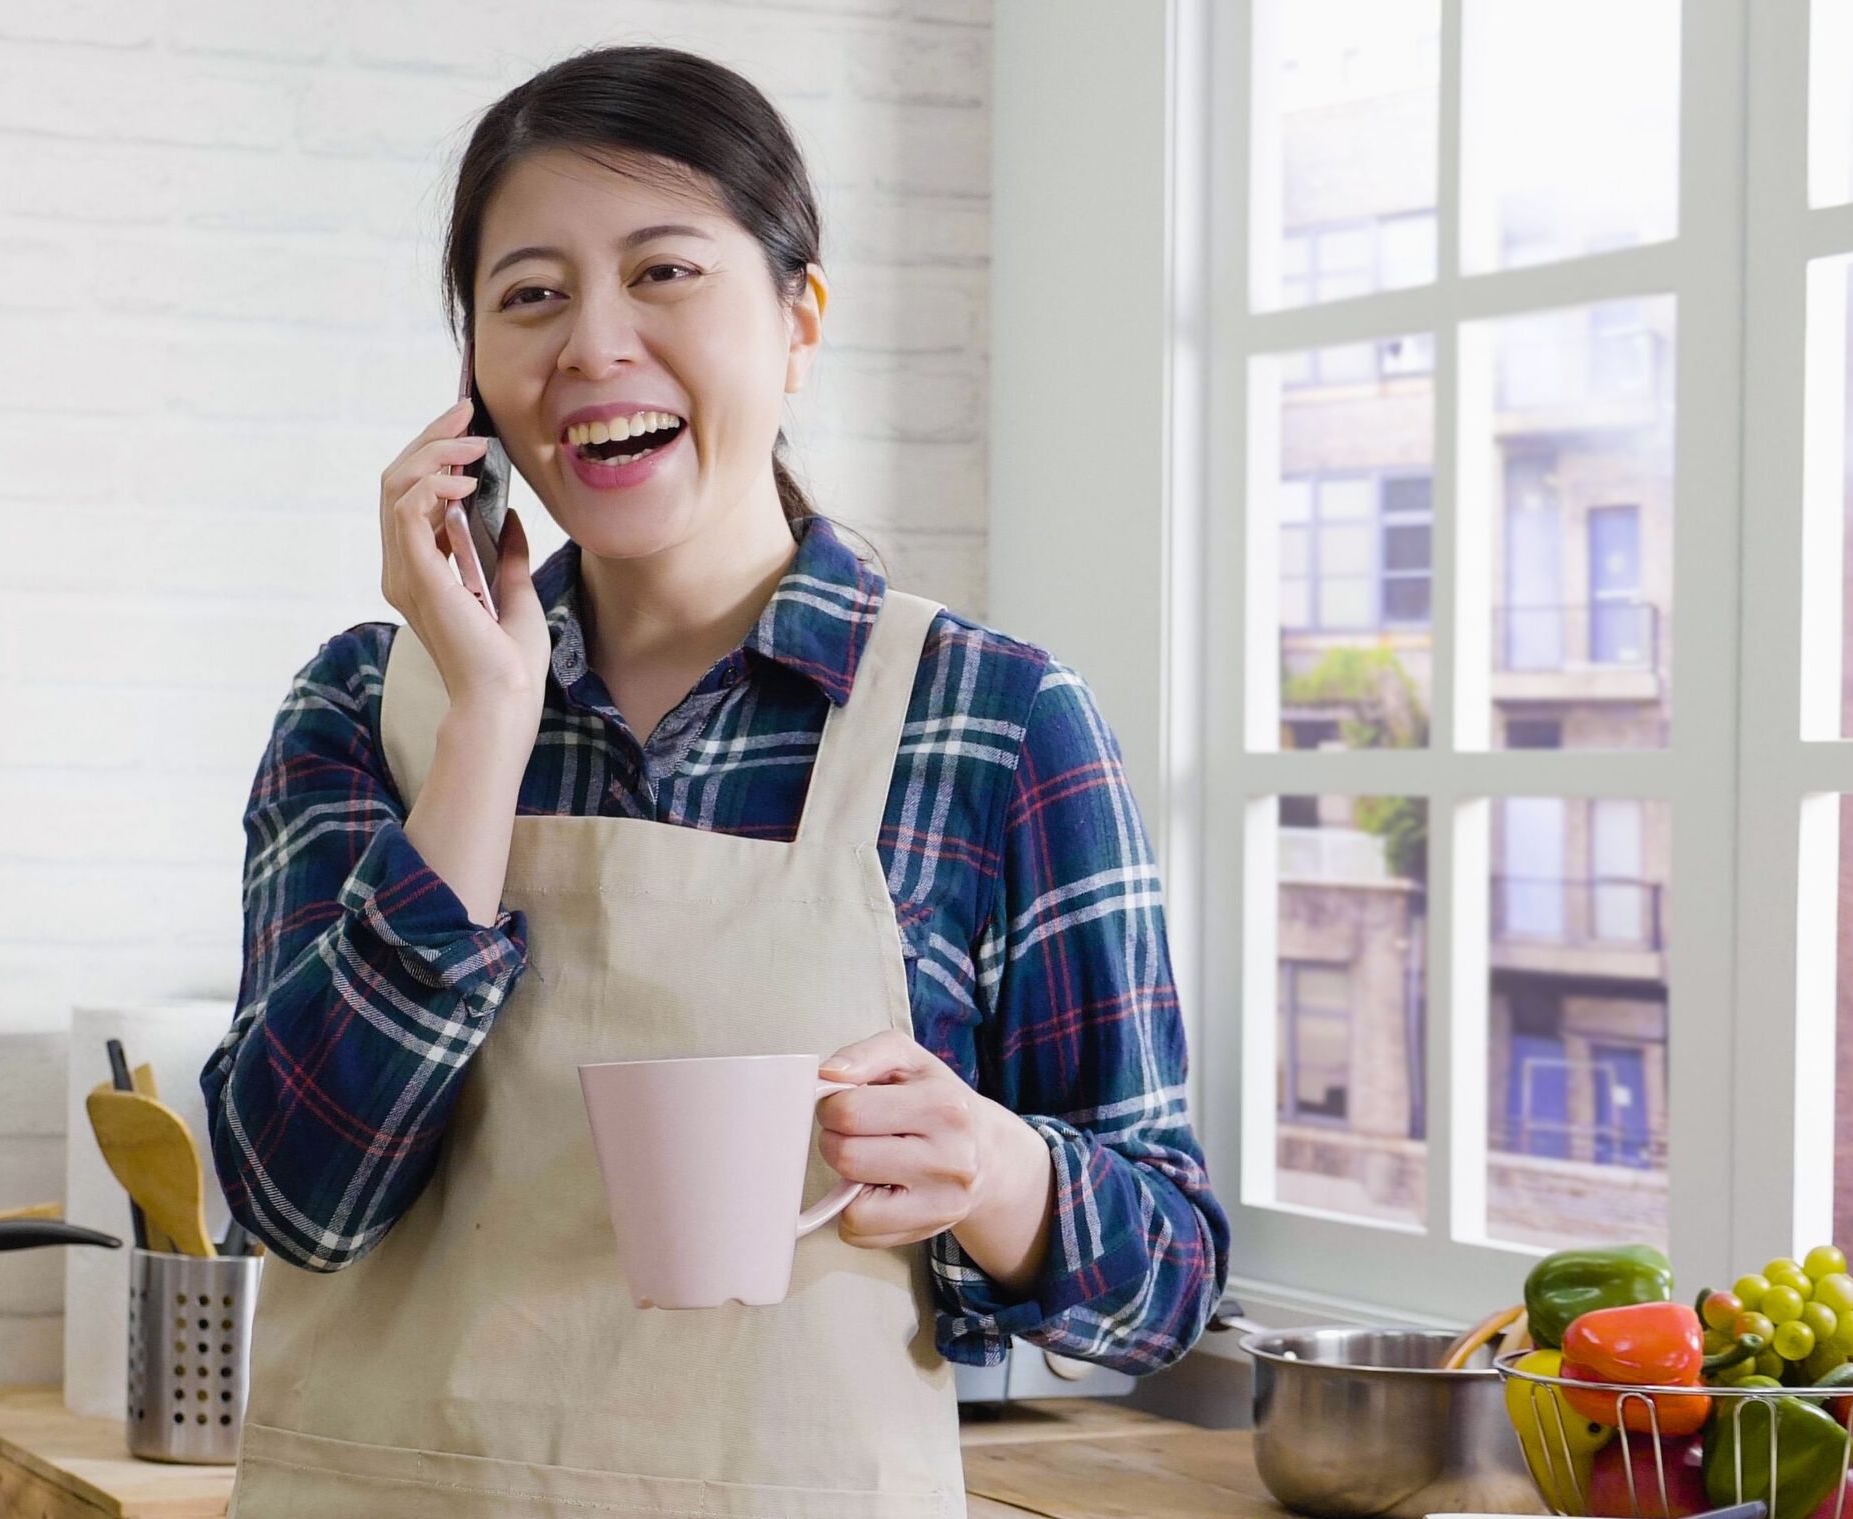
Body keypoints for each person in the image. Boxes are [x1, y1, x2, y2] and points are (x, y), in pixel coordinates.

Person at [198, 44, 1226, 1519]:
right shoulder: (370, 705)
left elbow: (1171, 1277)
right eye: (531, 295)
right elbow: (297, 1200)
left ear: (800, 320)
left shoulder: (989, 722)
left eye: (665, 273)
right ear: (475, 384)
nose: (593, 345)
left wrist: (999, 1175)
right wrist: (488, 723)